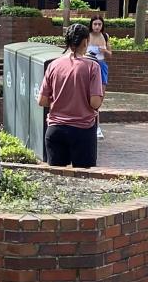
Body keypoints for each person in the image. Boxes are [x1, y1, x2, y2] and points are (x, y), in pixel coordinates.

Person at [37, 23, 104, 168]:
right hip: (83, 130)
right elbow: (95, 103)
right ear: (86, 42)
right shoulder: (93, 67)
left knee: (57, 180)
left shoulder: (53, 65)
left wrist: (61, 99)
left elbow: (42, 100)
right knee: (82, 179)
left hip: (55, 130)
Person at [87, 16, 112, 139]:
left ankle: (97, 126)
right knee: (87, 96)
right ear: (91, 25)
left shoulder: (105, 36)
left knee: (99, 97)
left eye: (99, 24)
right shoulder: (86, 36)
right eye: (95, 24)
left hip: (101, 66)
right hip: (88, 67)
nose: (97, 26)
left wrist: (105, 50)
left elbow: (110, 54)